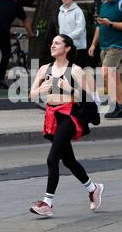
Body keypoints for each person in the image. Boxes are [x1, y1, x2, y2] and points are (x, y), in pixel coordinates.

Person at [29, 34, 103, 217]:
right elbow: (31, 94)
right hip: (52, 116)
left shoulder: (76, 71)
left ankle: (47, 204)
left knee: (52, 159)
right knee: (68, 160)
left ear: (67, 48)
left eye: (57, 43)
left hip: (69, 116)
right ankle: (93, 188)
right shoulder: (44, 69)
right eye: (52, 42)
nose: (53, 45)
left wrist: (70, 89)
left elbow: (93, 98)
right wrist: (40, 90)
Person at [88, 0, 122, 118]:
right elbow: (99, 26)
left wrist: (111, 23)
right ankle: (121, 107)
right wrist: (93, 44)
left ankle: (115, 105)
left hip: (117, 46)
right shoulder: (104, 5)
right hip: (105, 46)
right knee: (115, 77)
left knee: (106, 73)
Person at [0, 0, 35, 88]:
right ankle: (0, 77)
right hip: (2, 31)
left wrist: (8, 29)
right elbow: (25, 21)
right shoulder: (16, 5)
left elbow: (0, 17)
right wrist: (30, 33)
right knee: (6, 53)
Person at [58, 0, 90, 68]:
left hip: (78, 48)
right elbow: (61, 28)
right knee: (66, 72)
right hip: (65, 47)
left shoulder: (78, 11)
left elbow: (80, 29)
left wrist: (67, 38)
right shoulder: (60, 12)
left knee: (77, 73)